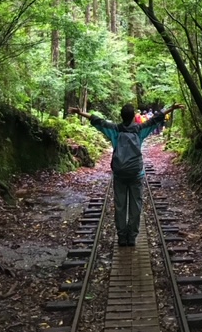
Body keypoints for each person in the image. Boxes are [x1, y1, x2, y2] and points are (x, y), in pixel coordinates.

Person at [68, 102, 185, 247]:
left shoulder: (115, 130)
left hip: (119, 174)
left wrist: (80, 113)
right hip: (136, 174)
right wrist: (172, 108)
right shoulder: (139, 130)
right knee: (136, 206)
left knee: (120, 206)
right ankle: (132, 237)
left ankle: (122, 237)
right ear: (133, 117)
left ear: (121, 116)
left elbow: (98, 120)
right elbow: (156, 119)